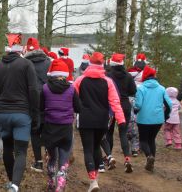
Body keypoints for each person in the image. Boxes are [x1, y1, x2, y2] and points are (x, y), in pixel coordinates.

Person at [0, 33, 39, 192]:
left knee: (8, 147)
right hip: (22, 114)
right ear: (21, 49)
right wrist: (35, 115)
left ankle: (12, 182)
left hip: (2, 114)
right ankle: (15, 185)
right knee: (21, 151)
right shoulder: (27, 65)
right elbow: (34, 91)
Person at [73, 52, 125, 192]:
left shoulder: (80, 80)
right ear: (102, 65)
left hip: (85, 119)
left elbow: (71, 97)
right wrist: (121, 120)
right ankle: (95, 180)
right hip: (102, 120)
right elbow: (115, 102)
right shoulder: (108, 81)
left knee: (88, 149)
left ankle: (93, 180)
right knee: (96, 147)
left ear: (89, 64)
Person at [41, 59, 81, 191]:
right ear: (65, 74)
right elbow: (78, 108)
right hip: (65, 128)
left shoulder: (45, 88)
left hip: (50, 128)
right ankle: (61, 183)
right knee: (63, 159)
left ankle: (51, 181)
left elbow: (40, 107)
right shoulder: (71, 89)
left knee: (52, 157)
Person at [134, 66, 172, 172]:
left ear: (144, 76)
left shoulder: (140, 88)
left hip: (143, 119)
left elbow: (138, 105)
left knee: (143, 141)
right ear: (154, 76)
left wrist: (135, 111)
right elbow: (169, 104)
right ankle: (152, 163)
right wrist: (166, 115)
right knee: (151, 140)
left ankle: (149, 157)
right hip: (158, 119)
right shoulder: (162, 88)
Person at [105, 53, 137, 173]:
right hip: (125, 106)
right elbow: (133, 91)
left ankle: (109, 157)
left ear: (112, 63)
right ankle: (127, 159)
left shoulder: (108, 75)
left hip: (111, 106)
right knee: (123, 133)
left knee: (109, 132)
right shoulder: (128, 76)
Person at [24, 37, 51, 173]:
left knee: (34, 130)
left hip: (31, 100)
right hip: (47, 99)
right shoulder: (48, 62)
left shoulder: (24, 63)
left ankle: (38, 162)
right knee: (46, 128)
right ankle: (48, 155)